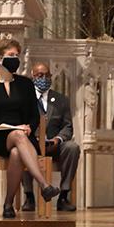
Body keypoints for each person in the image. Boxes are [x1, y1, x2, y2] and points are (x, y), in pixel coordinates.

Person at [0, 39, 61, 218]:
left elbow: (34, 116)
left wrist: (29, 127)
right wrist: (15, 128)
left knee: (16, 152)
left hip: (22, 136)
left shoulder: (25, 84)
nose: (16, 59)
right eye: (11, 55)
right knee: (18, 135)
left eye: (17, 56)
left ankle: (7, 205)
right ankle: (44, 185)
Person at [21, 62, 80, 212]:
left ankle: (63, 196)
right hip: (32, 143)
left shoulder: (61, 100)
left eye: (47, 75)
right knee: (20, 149)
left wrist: (58, 139)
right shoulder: (24, 99)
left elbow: (67, 126)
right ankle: (29, 196)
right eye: (40, 75)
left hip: (53, 145)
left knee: (72, 147)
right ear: (32, 77)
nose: (44, 78)